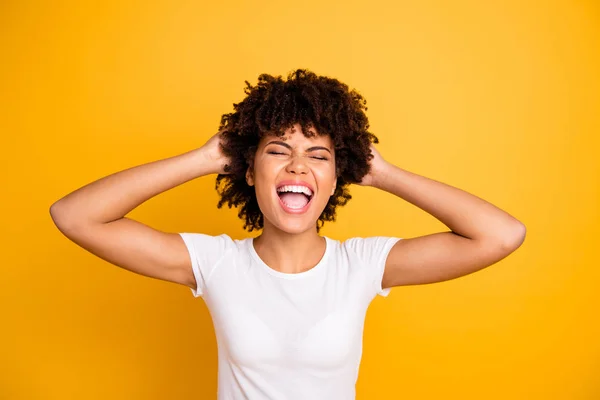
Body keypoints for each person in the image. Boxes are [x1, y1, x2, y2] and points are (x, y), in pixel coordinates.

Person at [50, 69, 526, 399]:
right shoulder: (216, 263)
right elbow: (75, 216)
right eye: (278, 151)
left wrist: (384, 173)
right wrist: (204, 158)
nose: (298, 164)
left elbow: (501, 235)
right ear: (249, 172)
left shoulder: (361, 265)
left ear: (337, 178)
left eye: (318, 155)